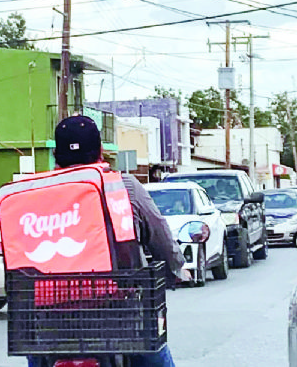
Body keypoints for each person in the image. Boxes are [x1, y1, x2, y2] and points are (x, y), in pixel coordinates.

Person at [26, 115, 187, 367]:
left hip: (51, 320)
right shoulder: (123, 187)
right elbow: (160, 236)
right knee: (154, 351)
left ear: (56, 154)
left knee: (37, 352)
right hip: (119, 315)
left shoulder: (35, 192)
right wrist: (174, 268)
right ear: (101, 151)